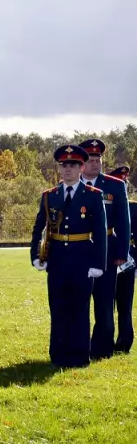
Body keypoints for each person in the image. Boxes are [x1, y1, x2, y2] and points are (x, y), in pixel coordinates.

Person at [30, 145, 107, 368]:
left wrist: (98, 263)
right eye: (64, 165)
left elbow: (100, 232)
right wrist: (36, 255)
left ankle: (80, 356)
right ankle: (58, 354)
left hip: (82, 258)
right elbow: (38, 228)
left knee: (80, 309)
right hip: (57, 260)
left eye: (72, 165)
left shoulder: (93, 196)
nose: (68, 170)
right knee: (58, 307)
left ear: (81, 167)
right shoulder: (49, 196)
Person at [78, 139, 131, 360]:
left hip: (108, 250)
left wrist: (121, 253)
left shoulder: (114, 185)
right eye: (90, 159)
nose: (95, 163)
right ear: (81, 163)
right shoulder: (72, 185)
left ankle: (102, 348)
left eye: (98, 159)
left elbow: (124, 222)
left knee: (105, 301)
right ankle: (80, 346)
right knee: (79, 302)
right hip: (78, 251)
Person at [108, 165, 136, 353]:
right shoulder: (105, 204)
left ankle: (125, 341)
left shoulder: (134, 207)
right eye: (121, 182)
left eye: (125, 183)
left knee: (125, 305)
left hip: (129, 262)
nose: (124, 186)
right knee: (106, 303)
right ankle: (105, 340)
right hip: (109, 258)